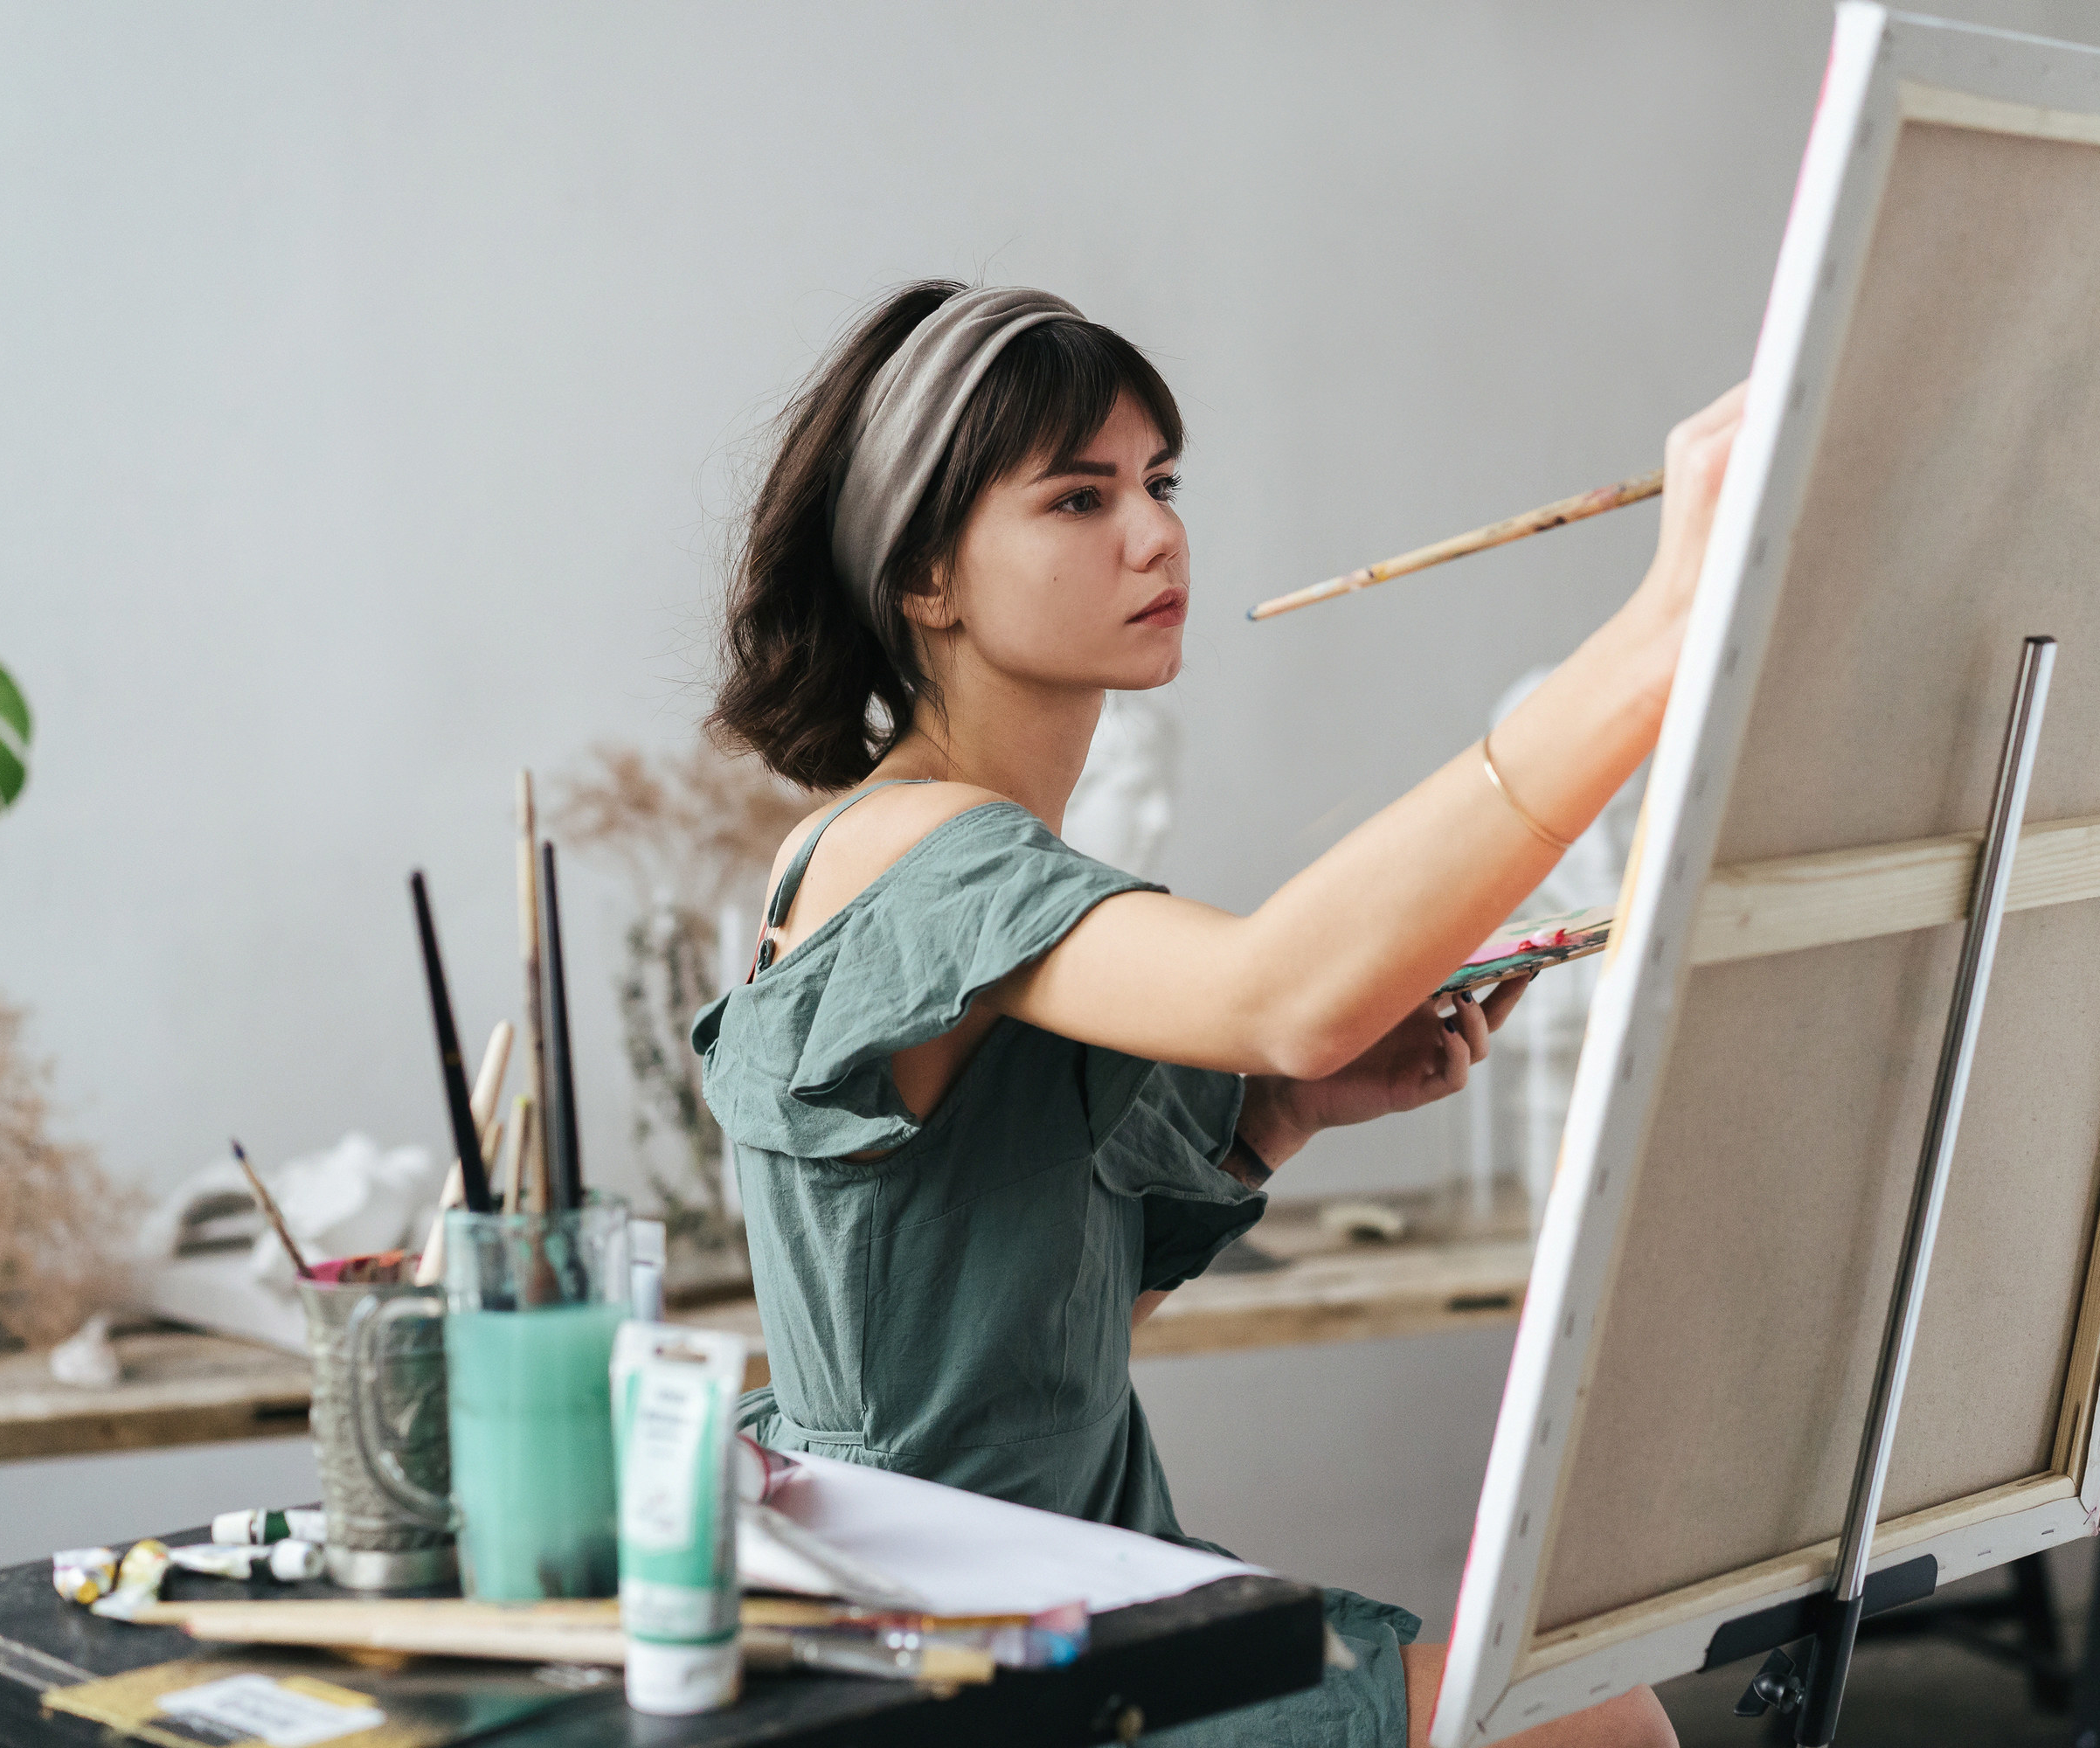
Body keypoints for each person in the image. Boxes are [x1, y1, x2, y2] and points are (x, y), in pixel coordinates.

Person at [695, 281, 1740, 1748]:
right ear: (927, 577)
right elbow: (1285, 990)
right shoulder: (913, 858)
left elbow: (1028, 1362)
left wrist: (1273, 1121)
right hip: (933, 1642)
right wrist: (1660, 634)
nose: (1155, 533)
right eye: (1077, 498)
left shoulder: (986, 865)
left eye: (1161, 483)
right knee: (1598, 1726)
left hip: (1050, 1586)